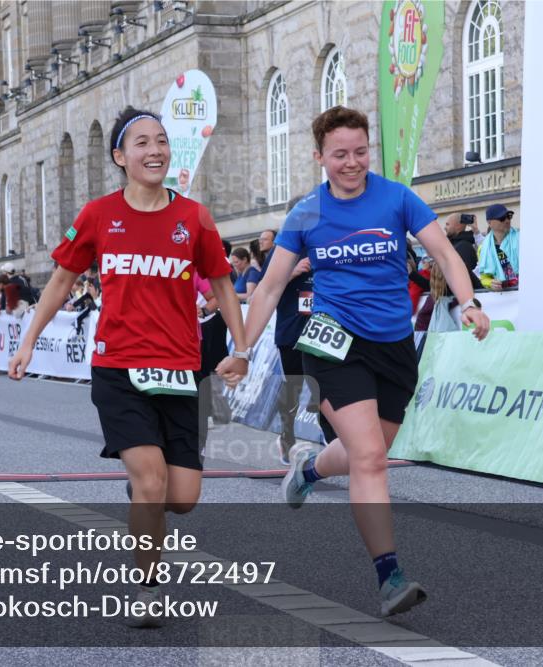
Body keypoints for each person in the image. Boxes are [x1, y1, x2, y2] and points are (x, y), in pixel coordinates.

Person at [217, 106, 490, 617]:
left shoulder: (396, 198)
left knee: (369, 451)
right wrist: (241, 350)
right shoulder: (306, 214)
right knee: (370, 459)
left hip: (392, 346)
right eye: (339, 154)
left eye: (360, 152)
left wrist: (469, 302)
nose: (351, 163)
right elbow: (272, 286)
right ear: (319, 156)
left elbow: (447, 256)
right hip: (332, 344)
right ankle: (390, 577)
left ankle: (309, 469)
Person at [9, 106, 248, 628]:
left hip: (180, 370)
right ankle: (147, 589)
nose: (155, 150)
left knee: (181, 498)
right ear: (121, 157)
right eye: (141, 142)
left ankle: (146, 492)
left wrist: (243, 347)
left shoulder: (194, 218)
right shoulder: (98, 215)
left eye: (161, 141)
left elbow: (223, 286)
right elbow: (59, 282)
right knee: (151, 484)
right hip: (118, 370)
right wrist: (29, 341)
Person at [265, 198, 337, 464]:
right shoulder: (281, 250)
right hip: (291, 330)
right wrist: (292, 272)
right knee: (293, 388)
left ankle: (332, 437)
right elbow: (265, 290)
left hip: (321, 330)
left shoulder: (326, 244)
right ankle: (286, 437)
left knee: (325, 386)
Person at [477, 203, 520, 291]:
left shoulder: (521, 238)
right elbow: (484, 278)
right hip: (503, 297)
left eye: (508, 216)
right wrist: (491, 283)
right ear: (489, 223)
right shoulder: (483, 248)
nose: (507, 220)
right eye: (502, 218)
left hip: (525, 292)